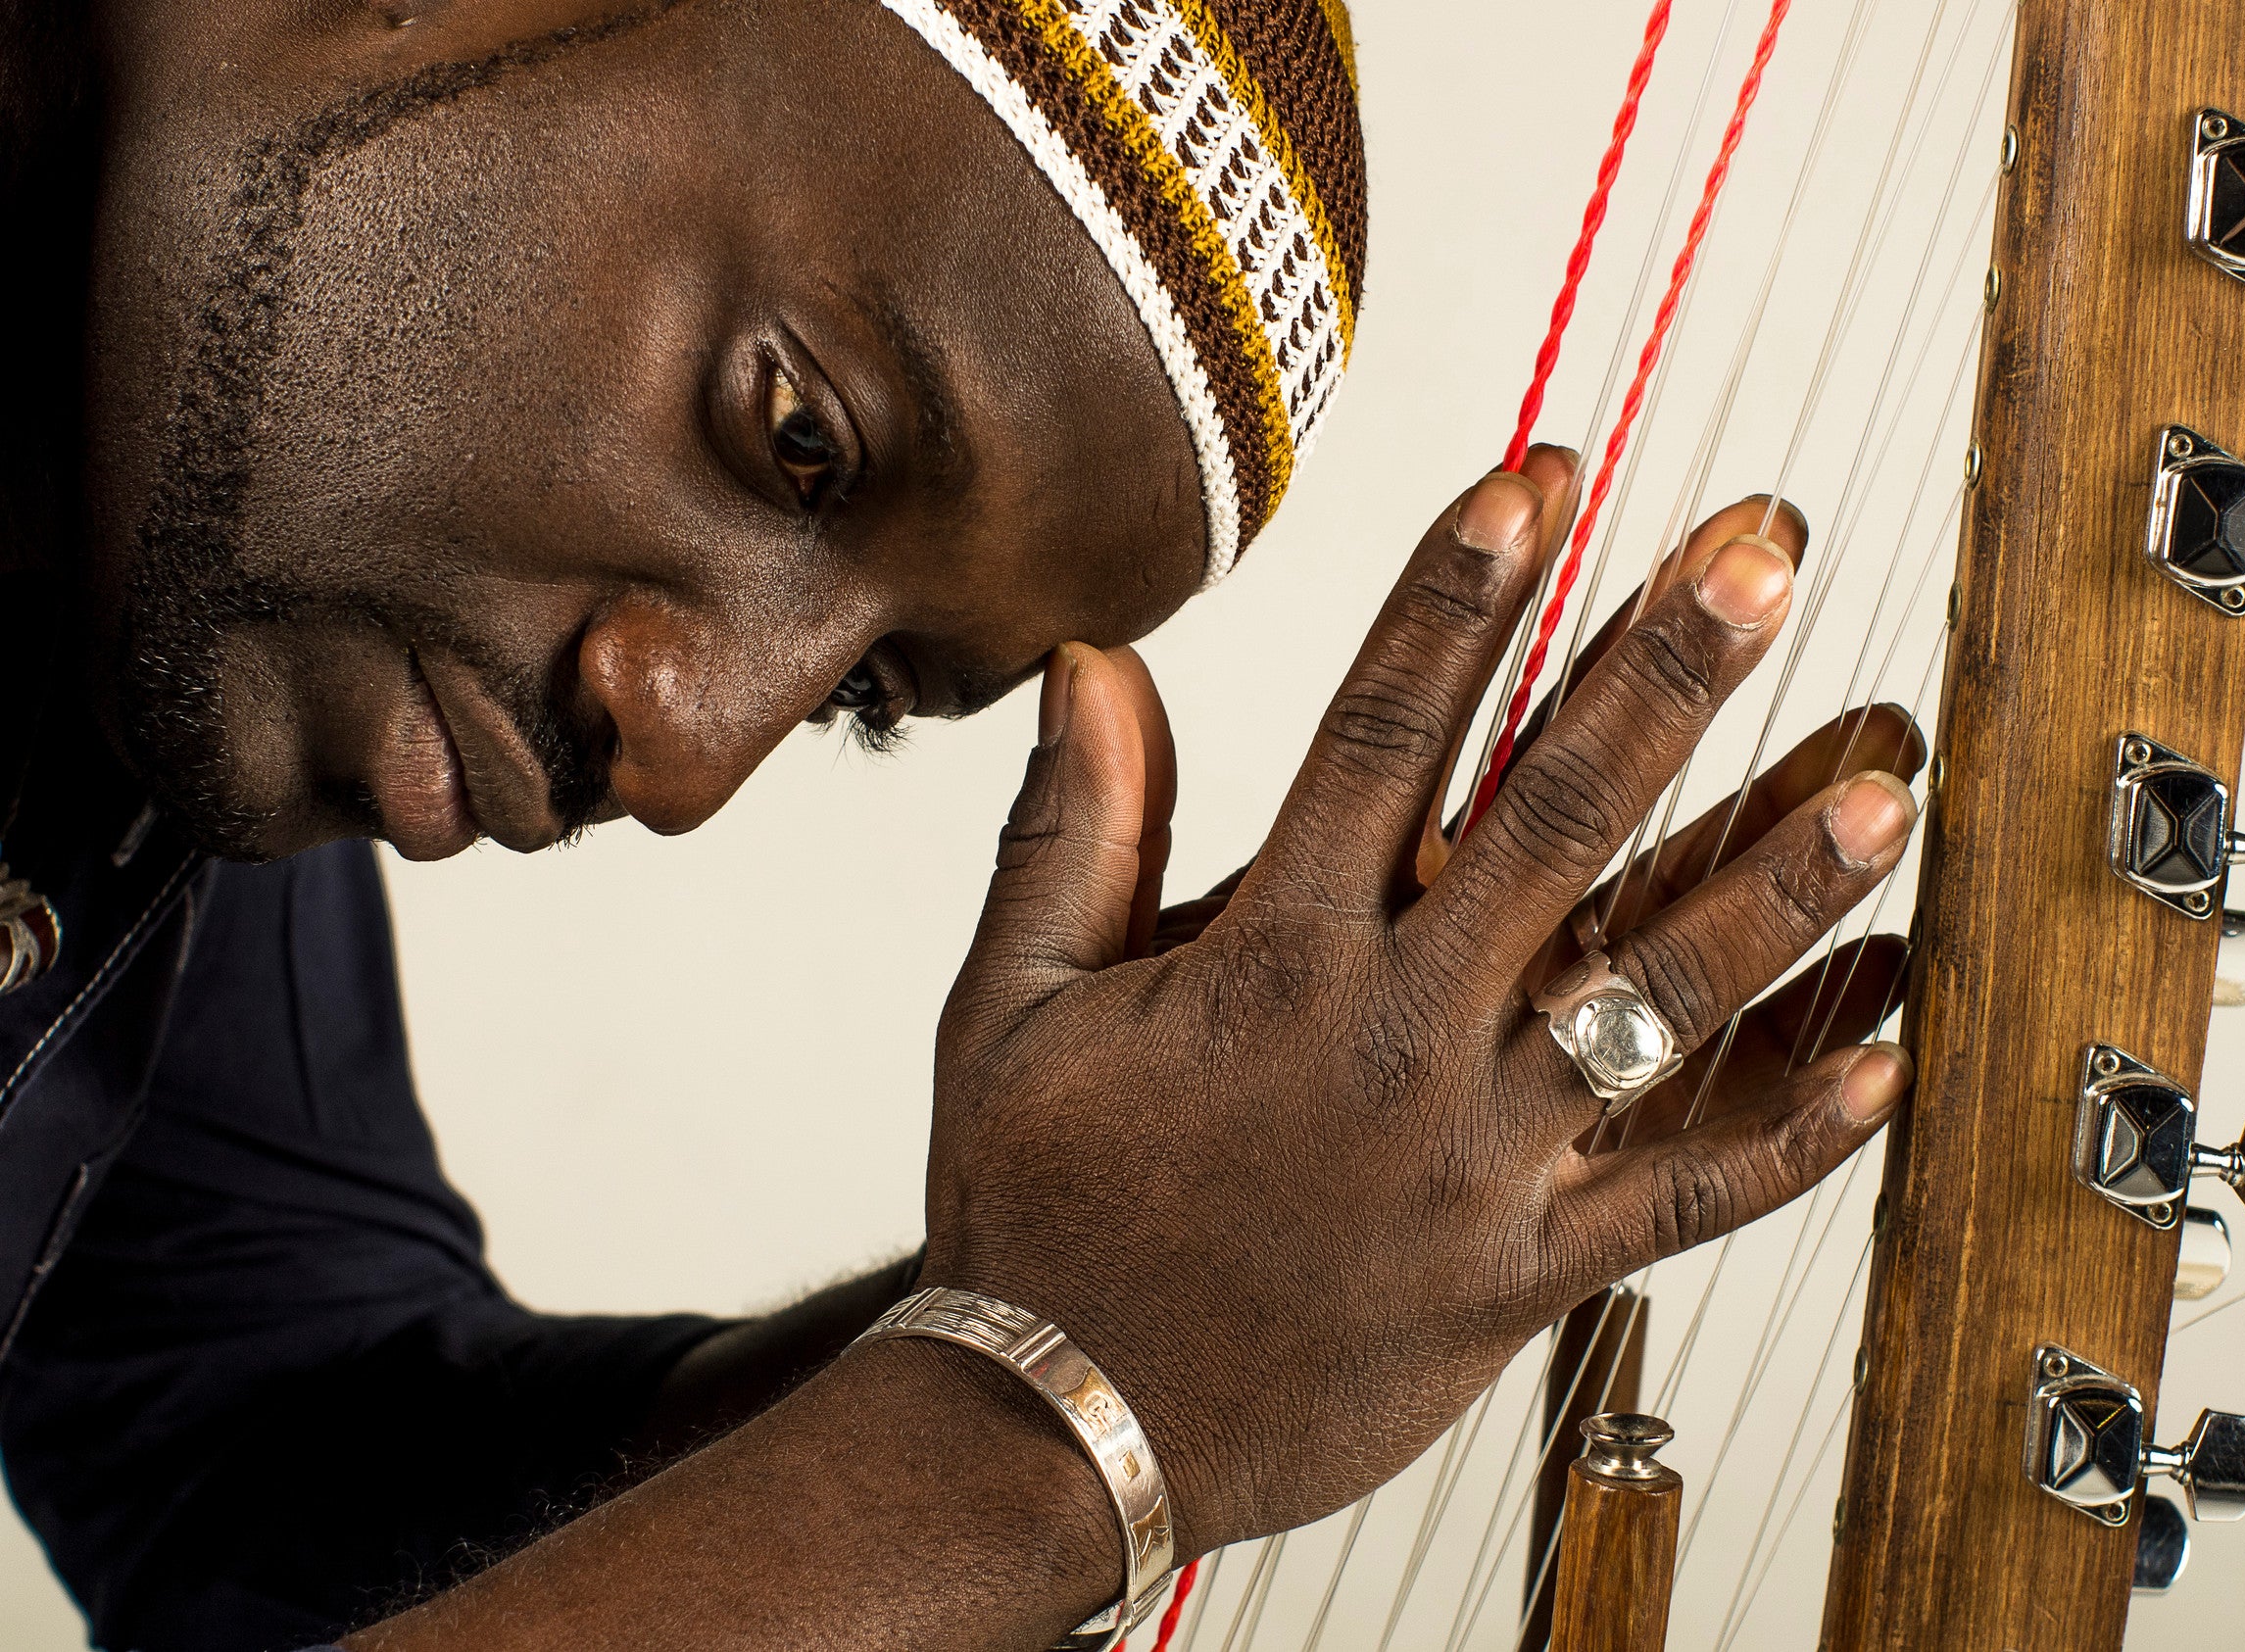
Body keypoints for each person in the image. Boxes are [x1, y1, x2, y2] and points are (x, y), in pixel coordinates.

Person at [0, 0, 1927, 1646]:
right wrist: (1050, 1434)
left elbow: (248, 1473)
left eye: (851, 699)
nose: (684, 756)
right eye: (796, 434)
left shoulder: (144, 594)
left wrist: (1140, 1275)